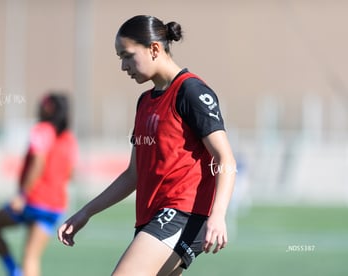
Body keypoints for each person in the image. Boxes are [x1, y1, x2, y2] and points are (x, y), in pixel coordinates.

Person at [58, 15, 236, 275]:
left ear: (154, 48)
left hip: (181, 215)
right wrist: (86, 212)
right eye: (120, 57)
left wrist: (218, 216)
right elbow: (134, 174)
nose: (123, 66)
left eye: (127, 55)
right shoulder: (145, 102)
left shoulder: (191, 92)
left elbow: (225, 159)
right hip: (151, 218)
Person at [0, 93, 78, 276]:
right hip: (55, 206)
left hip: (34, 202)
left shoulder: (42, 129)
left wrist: (22, 195)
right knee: (32, 257)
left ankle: (13, 270)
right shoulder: (68, 138)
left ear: (49, 109)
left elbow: (38, 163)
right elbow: (71, 173)